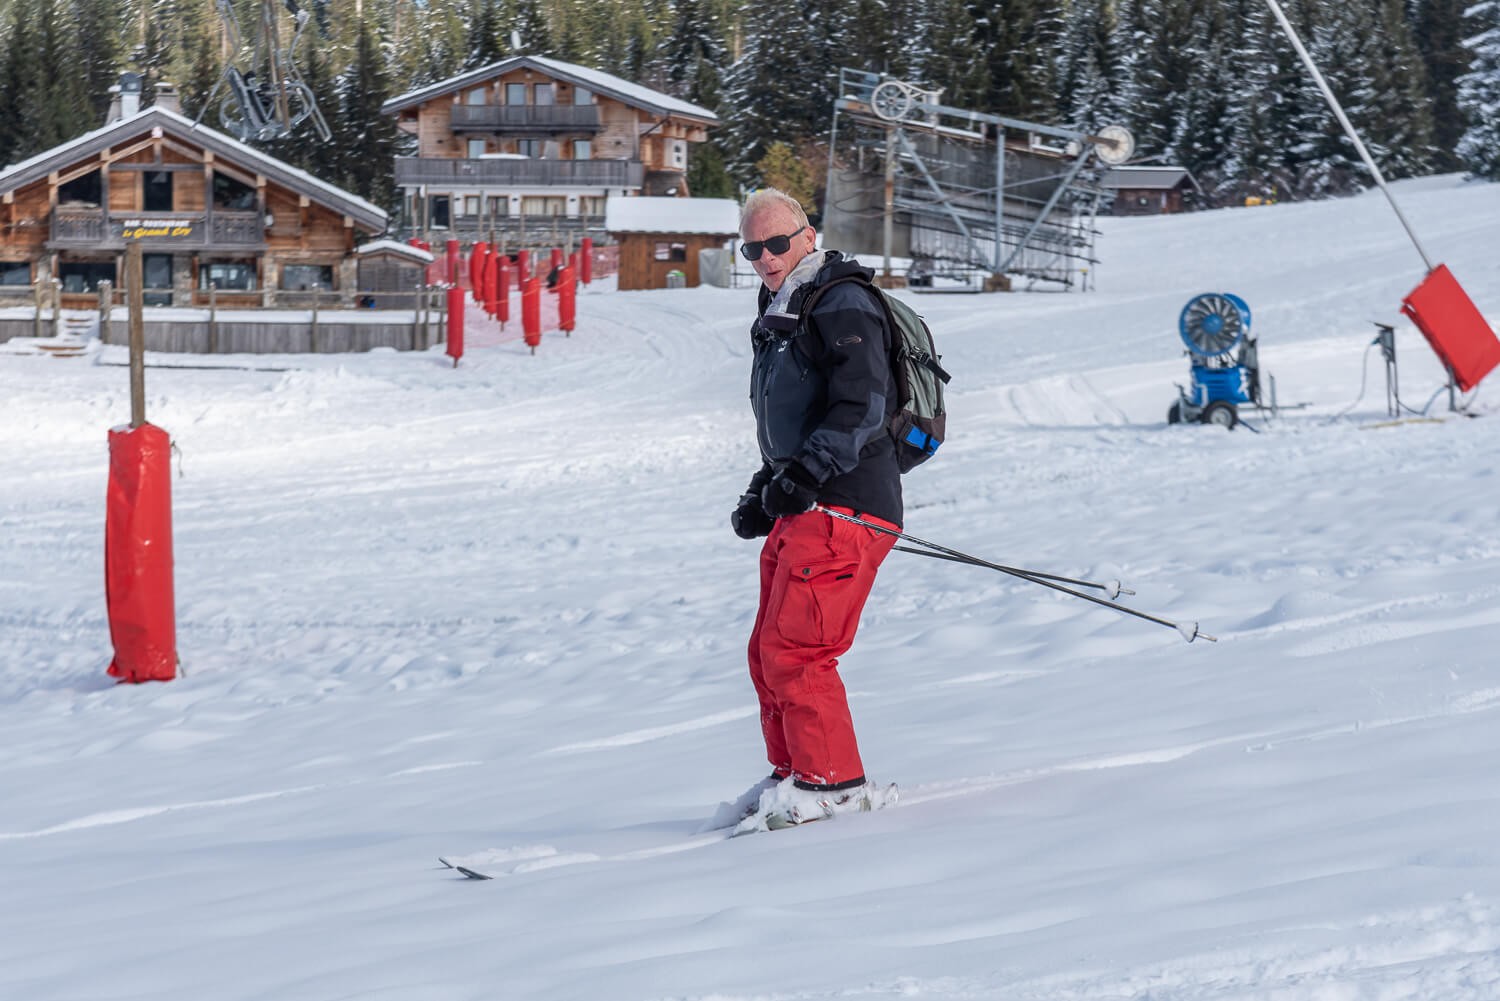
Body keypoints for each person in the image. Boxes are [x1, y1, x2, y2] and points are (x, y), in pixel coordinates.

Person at [720, 188, 902, 829]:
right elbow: (792, 420)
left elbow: (861, 407)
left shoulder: (841, 299)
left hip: (845, 504)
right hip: (808, 502)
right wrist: (764, 488)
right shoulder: (780, 308)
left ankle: (833, 787)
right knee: (767, 651)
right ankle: (793, 777)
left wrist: (807, 477)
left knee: (799, 650)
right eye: (753, 249)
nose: (766, 259)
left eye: (776, 243)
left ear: (807, 234)